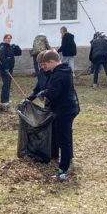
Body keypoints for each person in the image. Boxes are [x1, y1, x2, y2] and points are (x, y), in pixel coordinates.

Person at [32, 50, 79, 181]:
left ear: (52, 61)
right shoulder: (63, 70)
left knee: (63, 140)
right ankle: (66, 162)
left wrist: (43, 94)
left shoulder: (60, 74)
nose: (44, 68)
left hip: (65, 110)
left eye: (45, 65)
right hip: (67, 108)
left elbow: (53, 92)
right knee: (64, 138)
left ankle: (63, 170)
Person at [0, 33, 17, 108]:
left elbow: (18, 53)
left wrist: (17, 47)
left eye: (9, 38)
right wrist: (6, 67)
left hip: (10, 68)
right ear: (4, 39)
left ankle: (6, 99)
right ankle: (4, 101)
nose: (8, 39)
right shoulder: (3, 47)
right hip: (4, 69)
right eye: (7, 38)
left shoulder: (10, 47)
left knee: (8, 83)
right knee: (6, 84)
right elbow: (2, 58)